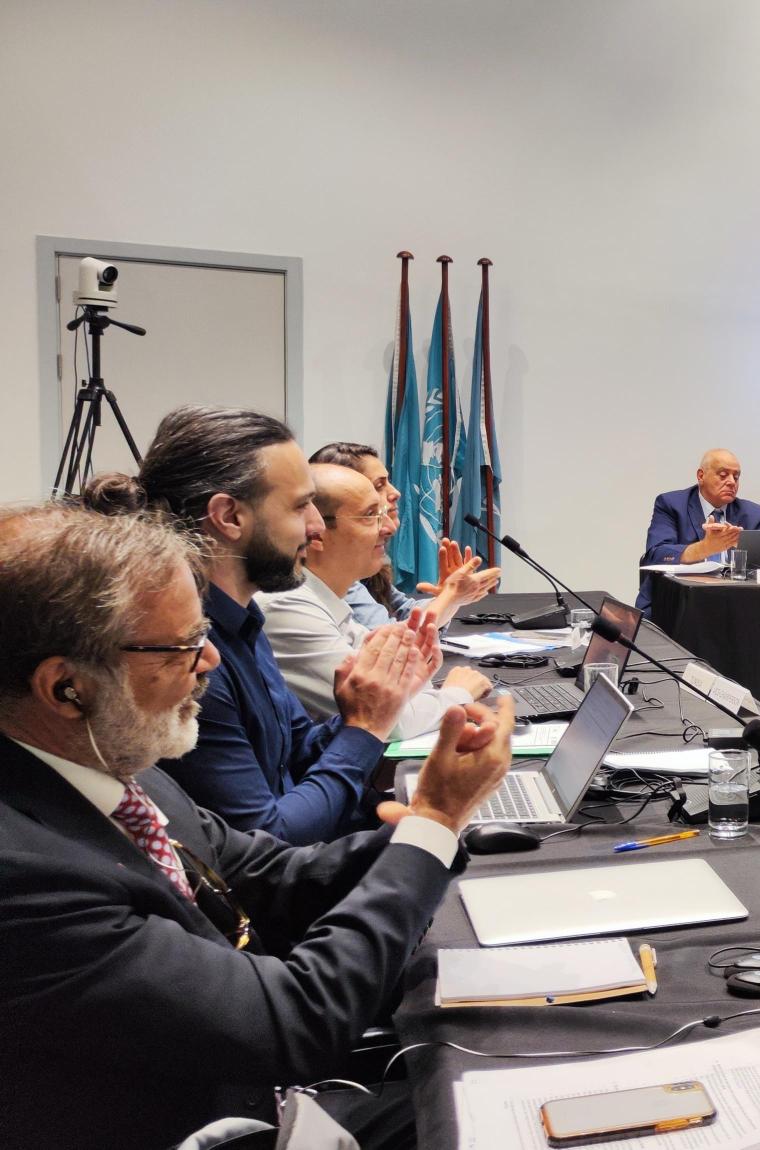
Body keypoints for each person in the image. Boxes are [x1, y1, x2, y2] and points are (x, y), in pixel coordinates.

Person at [0, 502, 514, 1150]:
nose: (211, 659)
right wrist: (433, 821)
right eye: (183, 646)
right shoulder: (22, 875)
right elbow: (294, 1022)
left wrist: (427, 831)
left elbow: (271, 874)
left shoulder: (106, 764)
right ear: (65, 687)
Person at [81, 406, 431, 845]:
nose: (316, 527)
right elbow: (267, 838)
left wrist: (374, 703)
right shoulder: (186, 658)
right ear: (228, 516)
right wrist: (365, 729)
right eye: (301, 506)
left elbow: (297, 753)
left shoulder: (244, 621)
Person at [260, 463, 494, 738]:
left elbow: (398, 684)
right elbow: (386, 720)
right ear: (317, 532)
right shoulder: (287, 606)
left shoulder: (324, 599)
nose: (390, 527)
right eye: (371, 515)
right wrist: (457, 693)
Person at [308, 441, 501, 627]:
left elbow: (405, 613)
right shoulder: (329, 578)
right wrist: (449, 597)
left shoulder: (359, 568)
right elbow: (388, 639)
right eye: (379, 486)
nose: (396, 492)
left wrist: (448, 598)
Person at [638, 448, 760, 609]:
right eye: (723, 475)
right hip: (677, 603)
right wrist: (705, 548)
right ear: (701, 476)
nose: (731, 482)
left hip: (733, 606)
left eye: (736, 477)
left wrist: (743, 545)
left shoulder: (753, 514)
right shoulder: (671, 504)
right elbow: (656, 554)